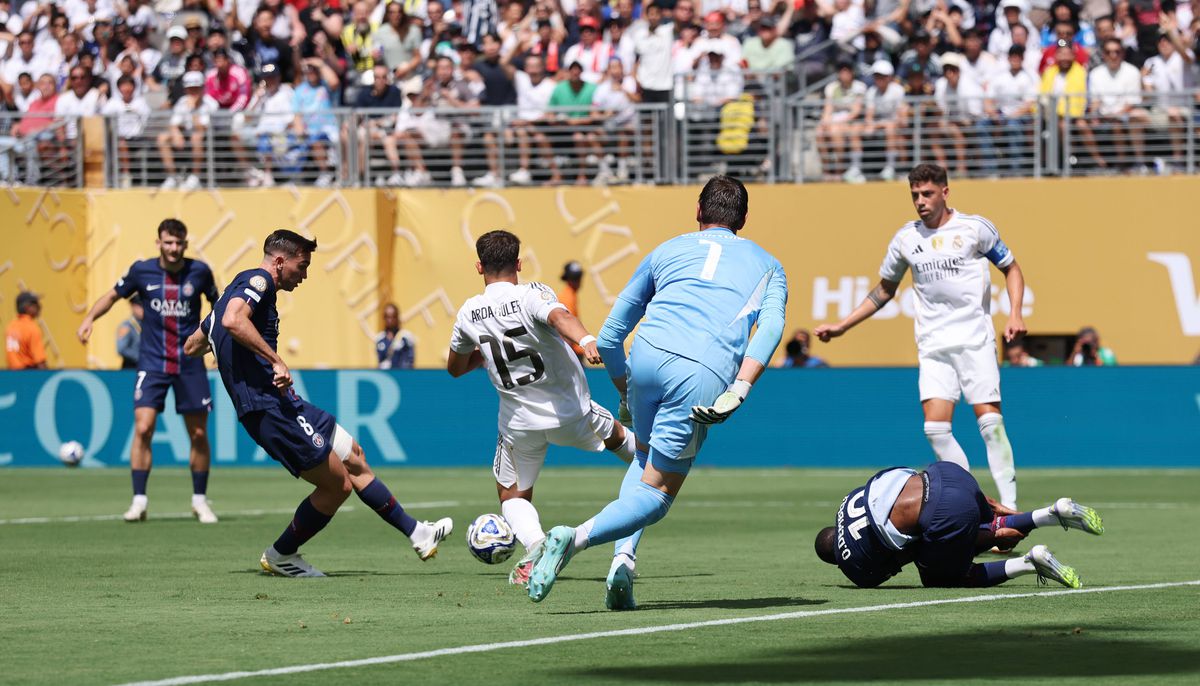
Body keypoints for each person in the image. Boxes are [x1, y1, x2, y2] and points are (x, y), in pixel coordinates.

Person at [525, 176, 788, 608]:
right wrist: (741, 386)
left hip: (645, 356)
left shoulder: (665, 251)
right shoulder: (770, 265)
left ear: (699, 212)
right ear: (742, 219)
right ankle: (573, 540)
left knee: (644, 459)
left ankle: (623, 562)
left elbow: (610, 337)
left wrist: (625, 391)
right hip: (700, 370)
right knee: (658, 494)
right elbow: (772, 327)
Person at [183, 229, 453, 577]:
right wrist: (274, 360)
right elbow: (234, 321)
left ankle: (419, 533)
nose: (305, 274)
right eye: (302, 265)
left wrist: (224, 348)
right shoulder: (259, 281)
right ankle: (281, 554)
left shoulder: (231, 294)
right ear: (280, 261)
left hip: (284, 403)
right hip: (268, 408)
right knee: (337, 485)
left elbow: (193, 345)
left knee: (354, 456)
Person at [815, 164, 1027, 511]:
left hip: (974, 339)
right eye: (914, 195)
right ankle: (978, 508)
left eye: (927, 193)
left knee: (989, 424)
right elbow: (885, 289)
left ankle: (1011, 507)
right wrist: (843, 325)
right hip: (932, 345)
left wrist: (1015, 313)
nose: (920, 201)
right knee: (935, 430)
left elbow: (1012, 269)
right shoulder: (906, 239)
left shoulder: (974, 228)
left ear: (945, 192)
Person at [446, 230, 636, 587]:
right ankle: (662, 469)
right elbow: (559, 317)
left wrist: (487, 354)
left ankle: (536, 546)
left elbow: (455, 368)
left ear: (478, 267)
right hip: (571, 413)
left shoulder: (468, 312)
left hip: (519, 425)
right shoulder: (531, 294)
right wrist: (587, 339)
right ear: (518, 263)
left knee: (511, 495)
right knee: (624, 442)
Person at [76, 219, 220, 524]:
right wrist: (89, 318)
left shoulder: (200, 271)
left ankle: (199, 500)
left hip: (189, 362)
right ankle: (139, 500)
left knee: (197, 433)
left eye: (179, 243)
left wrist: (218, 346)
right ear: (159, 243)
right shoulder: (141, 271)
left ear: (185, 243)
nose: (173, 249)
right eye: (168, 243)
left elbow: (218, 308)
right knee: (143, 428)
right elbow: (113, 295)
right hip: (152, 362)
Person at [813, 462, 1104, 589]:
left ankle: (1030, 562)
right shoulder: (850, 498)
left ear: (836, 561)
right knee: (949, 527)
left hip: (942, 513)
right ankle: (1050, 512)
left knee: (939, 575)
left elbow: (909, 552)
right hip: (947, 474)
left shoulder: (853, 566)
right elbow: (906, 475)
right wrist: (984, 518)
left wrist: (979, 542)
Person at [5, 291, 47, 370]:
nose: (39, 306)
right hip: (28, 376)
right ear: (27, 307)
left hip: (11, 376)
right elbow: (40, 362)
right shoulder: (32, 328)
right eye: (35, 304)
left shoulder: (10, 327)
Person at [375, 302, 415, 370]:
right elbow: (380, 360)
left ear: (397, 317)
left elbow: (410, 361)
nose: (390, 320)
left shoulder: (406, 337)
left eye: (393, 317)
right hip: (387, 377)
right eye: (387, 317)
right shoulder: (379, 338)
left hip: (403, 376)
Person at [116, 295, 144, 369]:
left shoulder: (147, 324)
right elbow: (121, 349)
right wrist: (141, 357)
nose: (143, 309)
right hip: (130, 367)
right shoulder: (126, 326)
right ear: (133, 306)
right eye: (140, 306)